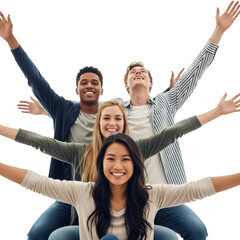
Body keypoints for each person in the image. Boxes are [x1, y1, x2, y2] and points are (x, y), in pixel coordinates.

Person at [0, 93, 240, 239]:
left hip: (136, 206)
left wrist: (217, 111)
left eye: (118, 118)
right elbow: (38, 149)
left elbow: (175, 134)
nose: (112, 123)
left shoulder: (145, 175)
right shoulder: (81, 164)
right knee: (50, 234)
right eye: (106, 118)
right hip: (88, 209)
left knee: (188, 230)